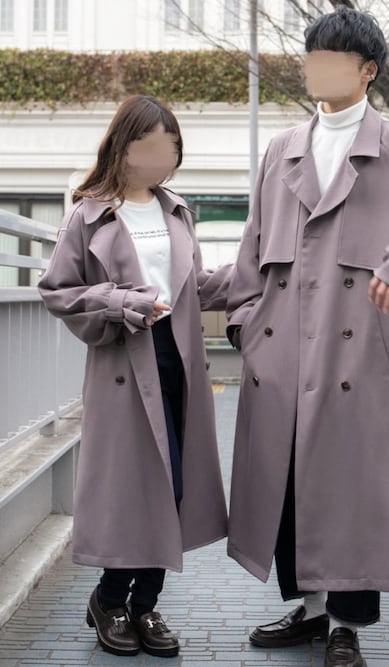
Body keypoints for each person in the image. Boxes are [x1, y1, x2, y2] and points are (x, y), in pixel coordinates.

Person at [225, 8, 389, 667]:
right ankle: (312, 611)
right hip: (283, 346)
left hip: (362, 349)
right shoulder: (282, 148)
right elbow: (253, 245)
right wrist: (244, 322)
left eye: (332, 59)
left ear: (368, 70)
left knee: (353, 483)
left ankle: (346, 624)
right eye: (311, 57)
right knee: (291, 478)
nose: (315, 69)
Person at [38, 95, 231, 659]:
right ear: (123, 147)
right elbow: (58, 291)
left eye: (171, 147)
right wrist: (122, 302)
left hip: (179, 360)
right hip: (125, 362)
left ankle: (142, 605)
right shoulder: (89, 213)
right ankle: (110, 600)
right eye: (151, 145)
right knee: (137, 491)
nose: (163, 157)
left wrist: (261, 276)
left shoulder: (177, 210)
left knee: (173, 488)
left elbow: (193, 285)